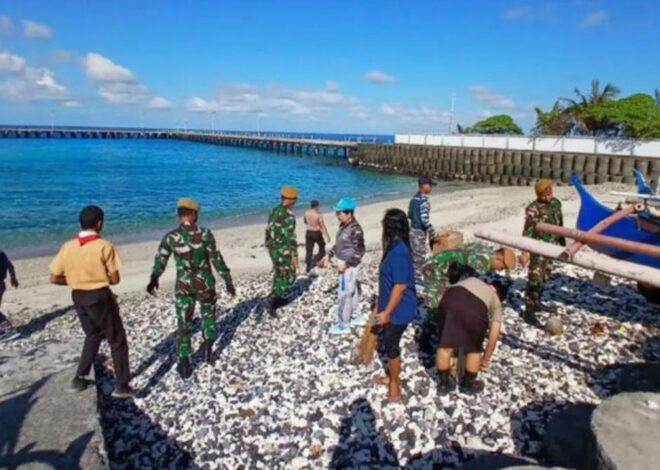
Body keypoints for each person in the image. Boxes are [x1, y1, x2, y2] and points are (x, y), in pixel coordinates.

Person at [49, 205, 133, 398]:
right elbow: (114, 279)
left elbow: (54, 278)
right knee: (117, 339)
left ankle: (79, 377)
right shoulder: (104, 246)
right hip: (99, 295)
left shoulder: (68, 246)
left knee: (93, 334)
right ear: (100, 224)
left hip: (78, 295)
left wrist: (74, 280)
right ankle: (121, 384)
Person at [147, 198, 235, 379]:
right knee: (209, 316)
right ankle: (208, 350)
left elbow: (161, 260)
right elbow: (216, 259)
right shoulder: (205, 234)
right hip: (205, 284)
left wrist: (154, 278)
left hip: (184, 286)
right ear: (194, 214)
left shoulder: (171, 237)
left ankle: (184, 361)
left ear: (179, 215)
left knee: (184, 323)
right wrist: (227, 279)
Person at [372, 208, 417, 402]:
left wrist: (387, 312)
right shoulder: (396, 247)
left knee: (391, 345)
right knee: (389, 342)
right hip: (394, 306)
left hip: (400, 308)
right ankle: (392, 376)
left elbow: (400, 286)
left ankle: (395, 385)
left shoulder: (398, 251)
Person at [436, 277, 507, 395]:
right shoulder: (496, 300)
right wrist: (485, 359)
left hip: (449, 297)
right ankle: (467, 384)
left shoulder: (472, 279)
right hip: (475, 309)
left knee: (445, 345)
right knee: (473, 349)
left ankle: (444, 384)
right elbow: (493, 337)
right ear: (499, 295)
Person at [519, 179, 566, 325]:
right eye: (544, 195)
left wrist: (562, 244)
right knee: (535, 278)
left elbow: (560, 223)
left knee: (545, 276)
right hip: (537, 248)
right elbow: (527, 230)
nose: (547, 197)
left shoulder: (556, 203)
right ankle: (529, 310)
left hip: (552, 247)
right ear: (538, 194)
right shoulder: (533, 208)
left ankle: (537, 301)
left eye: (549, 193)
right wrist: (524, 252)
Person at [422, 242, 516, 311]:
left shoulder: (485, 249)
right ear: (498, 259)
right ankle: (428, 330)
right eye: (502, 267)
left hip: (442, 263)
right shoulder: (481, 264)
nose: (500, 270)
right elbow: (462, 285)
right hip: (435, 269)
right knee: (439, 305)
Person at [320, 198, 366, 334]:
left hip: (349, 265)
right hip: (343, 262)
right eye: (337, 213)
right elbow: (339, 245)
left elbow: (360, 251)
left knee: (344, 293)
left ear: (349, 214)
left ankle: (343, 325)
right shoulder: (343, 226)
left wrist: (346, 265)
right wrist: (329, 255)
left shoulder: (355, 229)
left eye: (339, 213)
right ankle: (355, 316)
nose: (337, 216)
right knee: (352, 291)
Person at [264, 186, 299, 317]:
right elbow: (291, 237)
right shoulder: (289, 215)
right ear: (289, 199)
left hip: (273, 248)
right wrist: (294, 255)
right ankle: (271, 299)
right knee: (290, 276)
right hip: (283, 250)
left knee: (279, 273)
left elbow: (268, 229)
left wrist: (267, 244)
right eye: (294, 199)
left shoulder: (273, 209)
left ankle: (276, 298)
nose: (295, 201)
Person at [408, 177, 438, 288]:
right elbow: (424, 220)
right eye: (430, 185)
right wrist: (432, 232)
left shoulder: (414, 199)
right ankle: (416, 281)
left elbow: (410, 215)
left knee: (413, 254)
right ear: (424, 186)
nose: (431, 188)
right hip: (419, 232)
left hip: (412, 230)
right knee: (419, 256)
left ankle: (413, 276)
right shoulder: (424, 201)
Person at [304, 200, 330, 273]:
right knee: (322, 246)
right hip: (316, 232)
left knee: (309, 249)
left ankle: (308, 265)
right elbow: (322, 225)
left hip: (308, 232)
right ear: (317, 206)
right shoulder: (318, 214)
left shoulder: (306, 213)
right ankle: (320, 260)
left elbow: (305, 221)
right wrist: (327, 235)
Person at [0, 250, 20, 341]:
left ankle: (10, 330)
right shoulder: (2, 253)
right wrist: (13, 279)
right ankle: (3, 330)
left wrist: (13, 279)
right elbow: (10, 265)